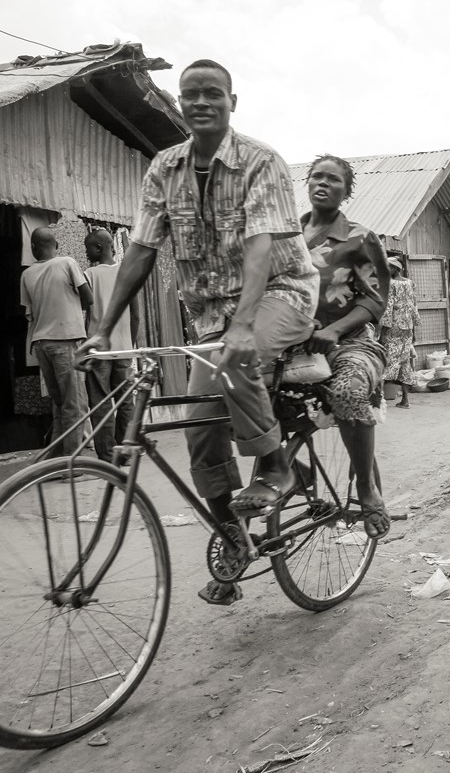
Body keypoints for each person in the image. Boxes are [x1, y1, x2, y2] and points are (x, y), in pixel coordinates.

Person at [76, 60, 319, 605]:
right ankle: (234, 539)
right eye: (191, 95)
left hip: (281, 293)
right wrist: (104, 328)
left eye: (213, 93)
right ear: (180, 102)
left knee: (241, 355)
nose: (201, 102)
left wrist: (242, 325)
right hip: (210, 315)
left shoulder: (263, 161)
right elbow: (140, 249)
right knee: (199, 429)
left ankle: (276, 467)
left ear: (234, 100)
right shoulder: (164, 168)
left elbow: (260, 249)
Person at [300, 154, 391, 541]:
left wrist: (335, 330)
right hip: (292, 346)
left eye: (333, 180)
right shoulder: (285, 235)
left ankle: (367, 489)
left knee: (347, 390)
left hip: (350, 344)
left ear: (346, 190)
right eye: (317, 177)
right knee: (240, 395)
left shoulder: (358, 238)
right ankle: (291, 477)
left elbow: (374, 300)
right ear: (307, 184)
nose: (323, 183)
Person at [21, 227, 93, 456]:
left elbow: (29, 313)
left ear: (33, 248)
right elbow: (88, 298)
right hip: (66, 340)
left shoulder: (26, 274)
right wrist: (72, 308)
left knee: (60, 405)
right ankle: (70, 463)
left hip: (41, 344)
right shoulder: (67, 263)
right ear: (57, 245)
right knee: (74, 404)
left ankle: (55, 459)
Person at [83, 229, 138, 463]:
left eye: (88, 248)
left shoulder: (89, 275)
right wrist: (130, 343)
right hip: (123, 348)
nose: (86, 253)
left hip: (99, 350)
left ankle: (107, 455)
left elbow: (85, 314)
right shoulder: (127, 272)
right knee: (125, 401)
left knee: (101, 402)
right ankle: (124, 454)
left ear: (98, 248)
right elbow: (136, 315)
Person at [381, 255, 419, 408]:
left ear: (395, 268)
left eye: (389, 267)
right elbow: (413, 305)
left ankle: (380, 399)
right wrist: (414, 326)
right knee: (404, 362)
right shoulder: (410, 283)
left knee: (387, 359)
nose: (387, 269)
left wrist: (382, 327)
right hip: (407, 327)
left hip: (394, 326)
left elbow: (388, 306)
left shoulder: (390, 284)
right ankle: (405, 400)